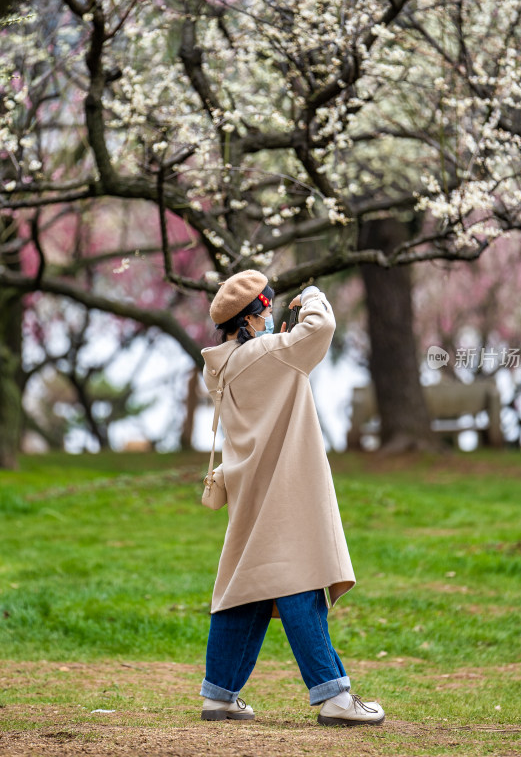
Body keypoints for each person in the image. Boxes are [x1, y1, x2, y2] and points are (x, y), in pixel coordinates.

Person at [199, 269, 385, 726]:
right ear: (251, 316)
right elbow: (320, 328)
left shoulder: (218, 366)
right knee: (298, 578)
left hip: (250, 488)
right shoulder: (268, 353)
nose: (268, 319)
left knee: (246, 586)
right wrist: (314, 295)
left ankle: (219, 694)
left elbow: (268, 375)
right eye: (264, 311)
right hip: (283, 487)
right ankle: (334, 696)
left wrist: (275, 346)